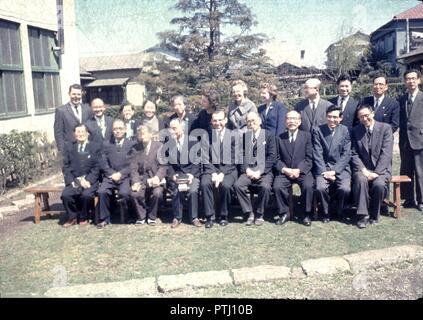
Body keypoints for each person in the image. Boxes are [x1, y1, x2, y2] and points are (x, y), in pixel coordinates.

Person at [351, 105, 393, 229]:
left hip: (381, 169)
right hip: (362, 169)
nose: (364, 119)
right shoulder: (356, 130)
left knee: (379, 185)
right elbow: (353, 153)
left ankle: (375, 214)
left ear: (372, 114)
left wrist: (377, 172)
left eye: (366, 115)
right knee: (360, 180)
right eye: (361, 117)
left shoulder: (385, 128)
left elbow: (386, 153)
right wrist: (364, 170)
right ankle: (363, 215)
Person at [233, 111, 276, 226]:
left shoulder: (269, 135)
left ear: (260, 121)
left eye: (253, 121)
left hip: (264, 172)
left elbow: (272, 156)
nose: (251, 123)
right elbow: (241, 155)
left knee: (265, 187)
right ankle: (249, 212)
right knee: (238, 185)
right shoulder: (245, 136)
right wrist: (246, 169)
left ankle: (260, 213)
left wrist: (260, 171)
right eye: (248, 121)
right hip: (248, 171)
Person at [273, 110, 314, 226]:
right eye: (289, 119)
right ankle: (285, 213)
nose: (292, 121)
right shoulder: (279, 138)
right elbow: (276, 159)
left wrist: (298, 170)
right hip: (285, 172)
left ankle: (306, 214)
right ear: (285, 122)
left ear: (299, 122)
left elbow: (309, 158)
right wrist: (285, 170)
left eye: (295, 119)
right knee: (277, 186)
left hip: (302, 171)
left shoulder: (307, 136)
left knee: (308, 186)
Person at [312, 105, 351, 223]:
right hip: (323, 167)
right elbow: (317, 153)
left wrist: (335, 171)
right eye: (329, 117)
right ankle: (326, 212)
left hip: (341, 168)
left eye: (335, 117)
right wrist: (325, 171)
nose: (332, 120)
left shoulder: (345, 130)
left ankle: (340, 210)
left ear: (340, 118)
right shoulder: (318, 130)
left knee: (345, 189)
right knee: (320, 188)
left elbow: (346, 154)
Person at [201, 109, 238, 228]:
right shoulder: (207, 136)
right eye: (215, 120)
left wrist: (222, 173)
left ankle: (223, 215)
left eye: (220, 120)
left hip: (229, 170)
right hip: (210, 169)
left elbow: (234, 159)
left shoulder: (233, 136)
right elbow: (205, 157)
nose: (217, 123)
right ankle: (209, 216)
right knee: (205, 183)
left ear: (226, 120)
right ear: (211, 121)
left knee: (226, 185)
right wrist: (213, 173)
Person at [96, 120, 136, 228]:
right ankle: (104, 218)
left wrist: (121, 174)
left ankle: (128, 216)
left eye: (120, 128)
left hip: (125, 177)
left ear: (125, 129)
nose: (118, 131)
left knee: (124, 193)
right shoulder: (106, 144)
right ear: (112, 130)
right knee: (102, 192)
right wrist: (112, 173)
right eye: (115, 129)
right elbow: (103, 163)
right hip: (110, 176)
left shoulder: (132, 144)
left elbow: (133, 163)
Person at [61, 124, 101, 227]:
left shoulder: (95, 147)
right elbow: (66, 167)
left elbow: (97, 167)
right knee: (66, 195)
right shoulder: (69, 147)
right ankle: (72, 217)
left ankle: (84, 216)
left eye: (82, 131)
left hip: (89, 180)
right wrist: (73, 181)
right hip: (75, 180)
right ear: (74, 134)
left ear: (87, 133)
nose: (80, 134)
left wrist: (88, 180)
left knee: (86, 195)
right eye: (78, 132)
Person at [164, 118, 202, 228]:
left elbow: (197, 161)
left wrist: (192, 175)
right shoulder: (168, 144)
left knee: (193, 190)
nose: (172, 131)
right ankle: (177, 217)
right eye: (170, 129)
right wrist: (172, 175)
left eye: (174, 128)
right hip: (177, 174)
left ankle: (194, 217)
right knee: (176, 191)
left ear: (183, 128)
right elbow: (168, 164)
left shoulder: (193, 142)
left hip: (191, 173)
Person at [130, 125, 167, 225]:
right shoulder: (135, 148)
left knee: (157, 193)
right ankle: (141, 216)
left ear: (151, 134)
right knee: (134, 194)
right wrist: (136, 181)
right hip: (142, 180)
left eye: (144, 133)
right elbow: (133, 168)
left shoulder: (159, 146)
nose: (142, 136)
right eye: (140, 134)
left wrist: (157, 177)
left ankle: (151, 216)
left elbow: (163, 166)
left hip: (155, 179)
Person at [399, 69, 423, 211]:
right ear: (404, 82)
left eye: (413, 78)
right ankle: (408, 199)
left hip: (420, 139)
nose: (411, 81)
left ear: (419, 80)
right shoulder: (402, 99)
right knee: (406, 170)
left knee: (421, 172)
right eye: (408, 79)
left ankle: (421, 200)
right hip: (405, 141)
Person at [54, 84, 91, 152]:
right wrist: (62, 151)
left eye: (78, 94)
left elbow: (91, 128)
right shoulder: (61, 111)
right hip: (70, 149)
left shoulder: (87, 109)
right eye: (73, 94)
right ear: (69, 94)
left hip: (86, 148)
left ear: (81, 94)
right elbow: (58, 133)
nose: (76, 97)